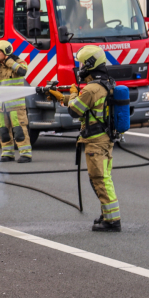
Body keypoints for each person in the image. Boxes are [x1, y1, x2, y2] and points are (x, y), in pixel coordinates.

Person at [61, 45, 121, 232]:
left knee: (99, 179)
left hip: (96, 140)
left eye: (81, 63)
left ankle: (112, 221)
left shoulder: (91, 89)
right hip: (105, 138)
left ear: (90, 64)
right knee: (104, 178)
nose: (80, 67)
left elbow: (74, 110)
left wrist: (71, 95)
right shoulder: (107, 83)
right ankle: (107, 214)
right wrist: (62, 97)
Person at [0, 40, 32, 163]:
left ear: (6, 52)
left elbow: (22, 71)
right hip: (1, 106)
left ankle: (25, 154)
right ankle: (7, 153)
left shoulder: (18, 62)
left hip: (15, 105)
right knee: (3, 131)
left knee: (19, 130)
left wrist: (9, 62)